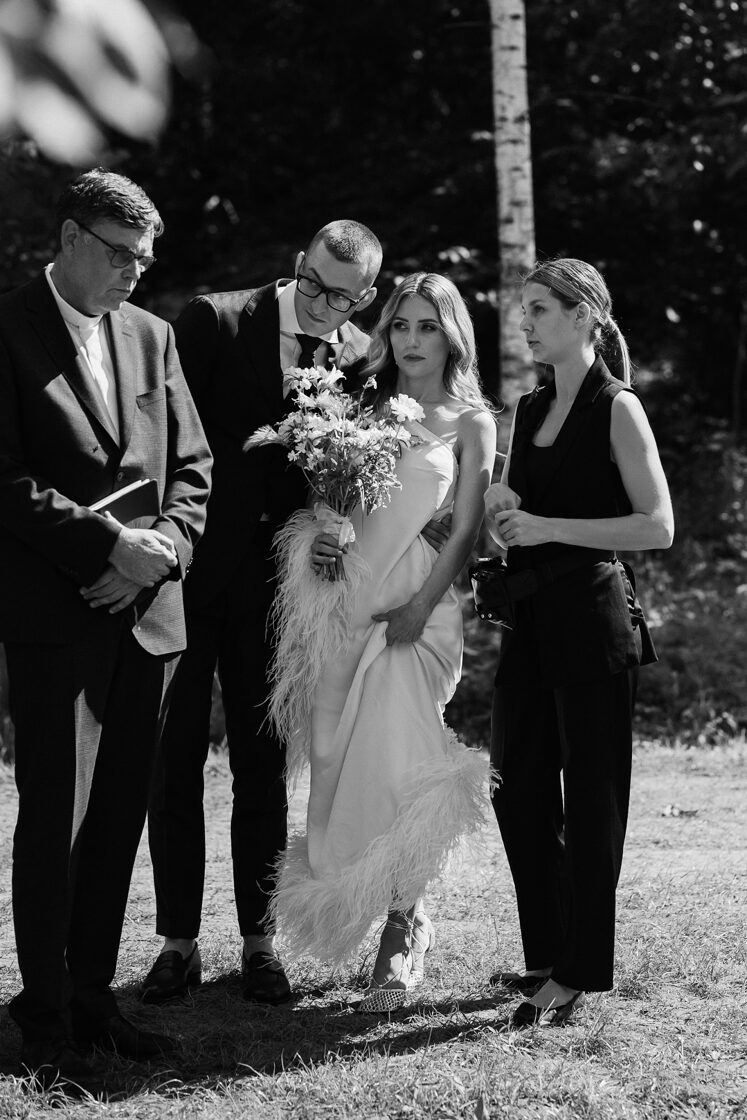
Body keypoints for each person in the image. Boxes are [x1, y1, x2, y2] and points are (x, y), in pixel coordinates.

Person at [0, 168, 213, 1090]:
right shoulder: (6, 328)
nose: (135, 271)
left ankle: (93, 998)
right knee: (56, 819)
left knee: (121, 814)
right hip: (56, 619)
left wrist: (160, 552)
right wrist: (104, 547)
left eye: (145, 259)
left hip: (149, 620)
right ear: (71, 239)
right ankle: (43, 1018)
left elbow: (194, 467)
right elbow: (3, 477)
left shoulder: (153, 335)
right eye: (121, 254)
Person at [141, 221, 383, 1007]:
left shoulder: (356, 358)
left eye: (340, 297)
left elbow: (347, 476)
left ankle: (259, 941)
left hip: (279, 595)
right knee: (174, 758)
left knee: (261, 768)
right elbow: (160, 437)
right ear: (296, 264)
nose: (320, 304)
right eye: (311, 283)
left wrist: (336, 527)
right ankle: (176, 941)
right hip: (185, 580)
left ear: (364, 298)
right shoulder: (213, 320)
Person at [268, 272, 497, 1012]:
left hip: (416, 610)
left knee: (403, 763)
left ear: (452, 336)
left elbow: (465, 531)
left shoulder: (472, 422)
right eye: (401, 325)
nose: (412, 340)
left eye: (428, 326)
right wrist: (321, 539)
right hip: (347, 604)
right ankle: (361, 893)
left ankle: (404, 922)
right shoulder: (358, 406)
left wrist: (419, 607)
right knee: (342, 760)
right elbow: (331, 501)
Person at [484, 258, 673, 1027]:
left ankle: (577, 970)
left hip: (593, 624)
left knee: (593, 801)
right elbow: (519, 512)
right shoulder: (528, 407)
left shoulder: (617, 406)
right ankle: (544, 954)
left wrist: (545, 526)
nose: (524, 322)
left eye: (538, 308)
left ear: (584, 315)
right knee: (517, 788)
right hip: (529, 620)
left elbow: (656, 526)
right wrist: (501, 503)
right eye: (522, 308)